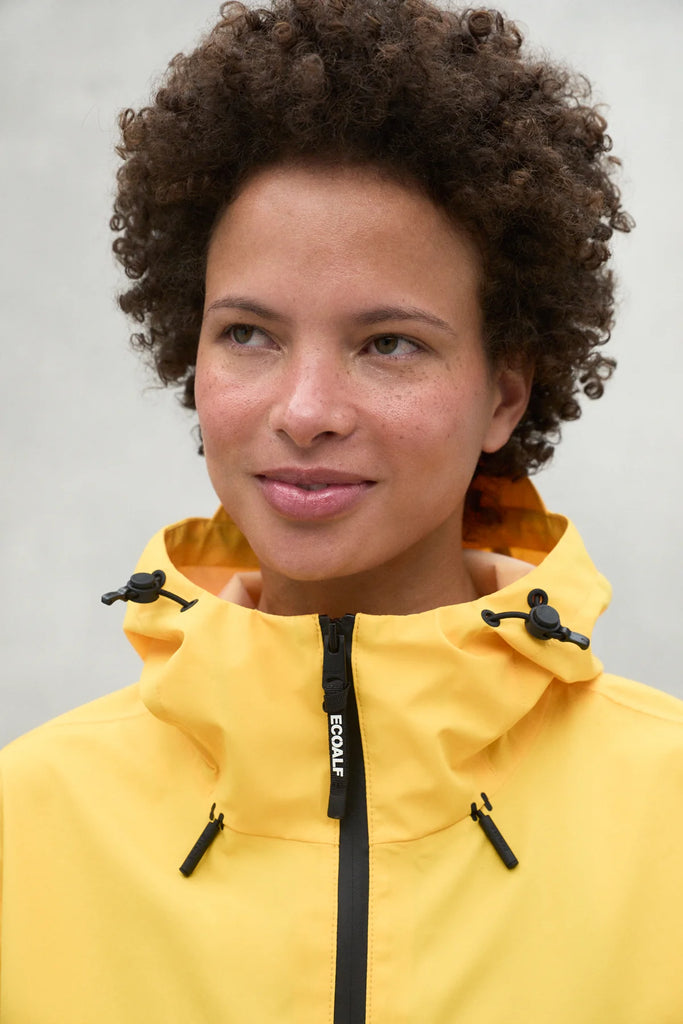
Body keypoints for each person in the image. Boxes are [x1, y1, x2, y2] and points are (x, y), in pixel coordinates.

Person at [1, 1, 681, 1021]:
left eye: (388, 344)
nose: (306, 411)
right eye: (247, 334)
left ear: (503, 391)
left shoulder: (665, 812)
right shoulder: (30, 820)